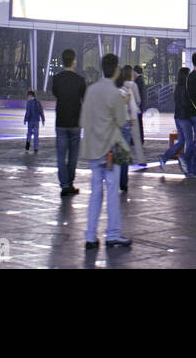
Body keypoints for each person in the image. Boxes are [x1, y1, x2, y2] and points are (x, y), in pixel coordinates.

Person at [83, 52, 131, 249]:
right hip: (110, 149)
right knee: (112, 192)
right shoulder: (114, 92)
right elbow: (121, 121)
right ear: (116, 69)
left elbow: (84, 118)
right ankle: (112, 234)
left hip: (93, 148)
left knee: (95, 193)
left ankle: (90, 236)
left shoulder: (91, 90)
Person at [51, 48, 87, 198]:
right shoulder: (80, 80)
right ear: (74, 61)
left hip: (61, 121)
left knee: (60, 154)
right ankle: (70, 182)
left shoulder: (57, 79)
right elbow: (83, 97)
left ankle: (64, 184)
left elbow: (56, 93)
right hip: (75, 121)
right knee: (73, 155)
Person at [158, 65, 196, 173]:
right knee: (189, 141)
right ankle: (185, 162)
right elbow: (185, 103)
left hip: (178, 117)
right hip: (184, 118)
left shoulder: (178, 87)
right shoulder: (185, 88)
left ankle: (164, 158)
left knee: (181, 141)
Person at [117, 66, 141, 196]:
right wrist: (133, 119)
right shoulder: (128, 90)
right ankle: (123, 183)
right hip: (125, 123)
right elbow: (133, 105)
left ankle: (114, 180)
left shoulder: (114, 90)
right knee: (123, 155)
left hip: (114, 125)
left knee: (115, 154)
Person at [133, 65, 148, 145]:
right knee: (139, 123)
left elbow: (137, 94)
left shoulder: (138, 81)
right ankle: (140, 139)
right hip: (141, 106)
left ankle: (139, 140)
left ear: (135, 72)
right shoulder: (141, 80)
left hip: (138, 106)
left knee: (138, 123)